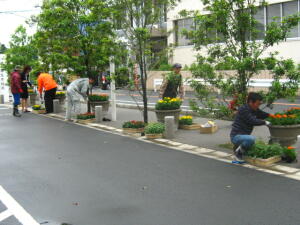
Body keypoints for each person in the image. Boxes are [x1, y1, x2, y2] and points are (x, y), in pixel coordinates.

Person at [230, 92, 271, 162]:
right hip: (236, 136)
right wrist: (264, 122)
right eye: (258, 104)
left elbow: (263, 114)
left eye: (260, 104)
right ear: (251, 102)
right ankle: (237, 155)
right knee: (251, 139)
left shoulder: (254, 109)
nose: (258, 106)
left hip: (243, 136)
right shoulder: (244, 109)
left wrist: (273, 116)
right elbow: (252, 120)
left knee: (251, 143)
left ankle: (237, 148)